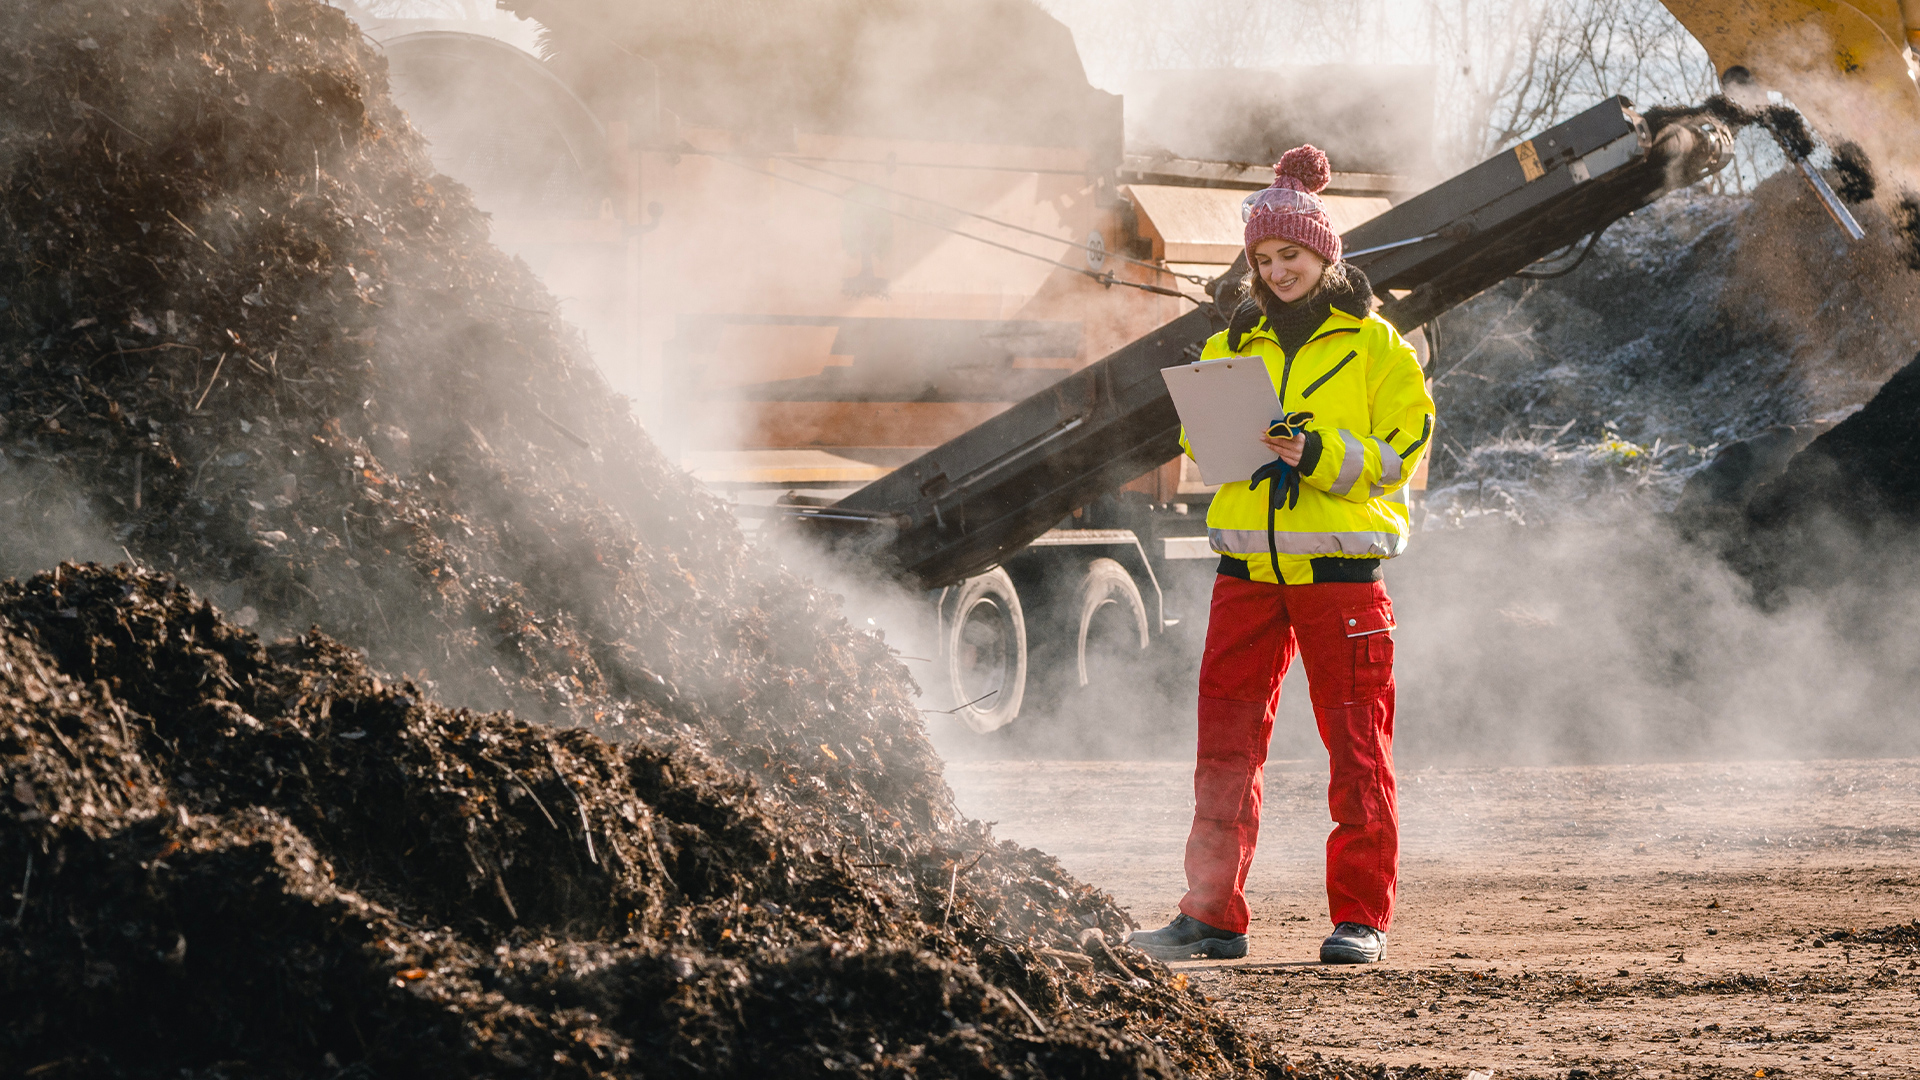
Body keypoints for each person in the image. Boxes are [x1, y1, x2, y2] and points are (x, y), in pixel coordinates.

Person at [1129, 145, 1435, 965]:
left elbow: (1404, 445)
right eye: (1263, 259)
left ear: (1323, 253)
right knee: (1223, 750)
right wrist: (1216, 417)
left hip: (1341, 578)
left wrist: (1319, 451)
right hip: (1245, 574)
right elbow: (1208, 444)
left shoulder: (1377, 346)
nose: (1275, 269)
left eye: (1289, 254)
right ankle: (1212, 916)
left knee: (1357, 748)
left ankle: (1361, 919)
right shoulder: (1241, 337)